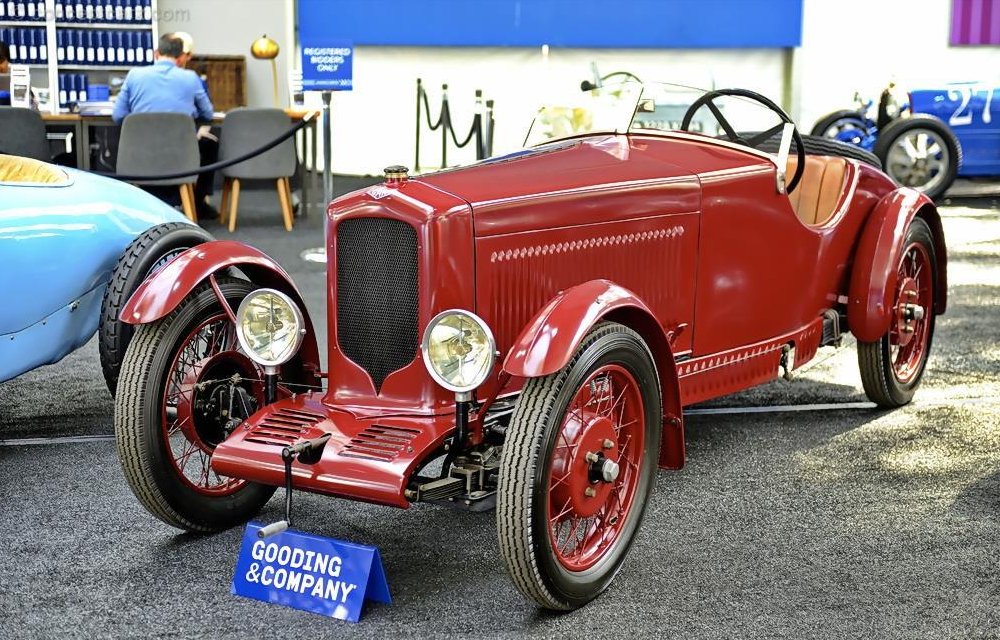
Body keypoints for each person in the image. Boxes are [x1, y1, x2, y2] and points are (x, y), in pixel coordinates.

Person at [113, 33, 218, 217]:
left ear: (156, 53)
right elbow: (208, 114)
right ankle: (197, 205)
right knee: (210, 144)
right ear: (180, 57)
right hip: (180, 158)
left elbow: (119, 116)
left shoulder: (134, 75)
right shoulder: (191, 78)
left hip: (140, 158)